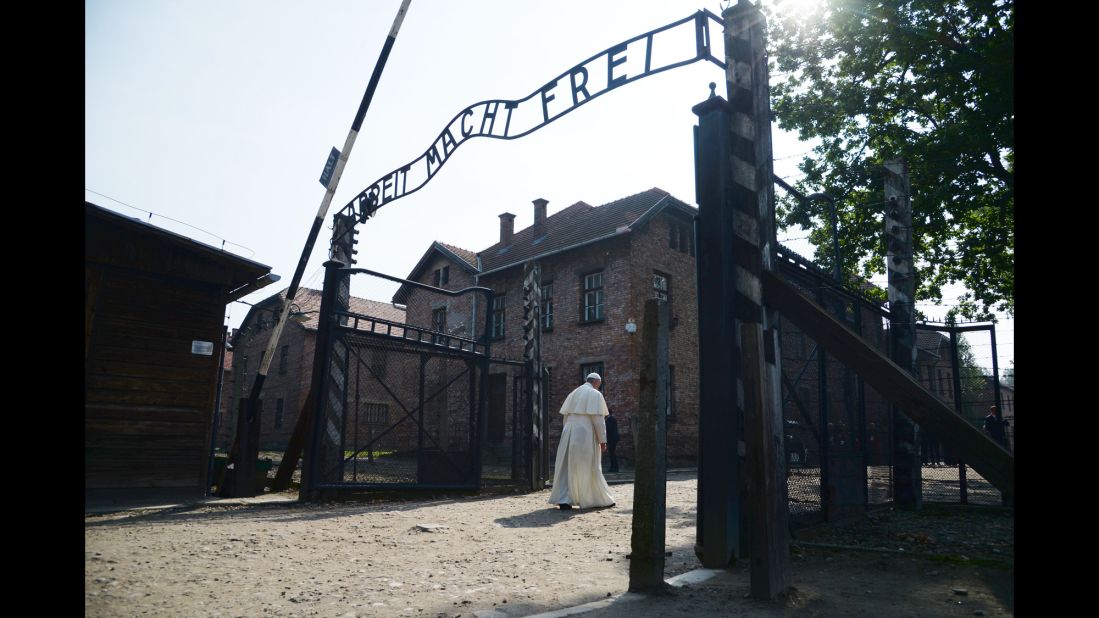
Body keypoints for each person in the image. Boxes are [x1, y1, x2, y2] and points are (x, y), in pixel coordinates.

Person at [547, 373, 616, 510]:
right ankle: (595, 499)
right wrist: (603, 440)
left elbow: (565, 417)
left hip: (568, 432)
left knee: (567, 466)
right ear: (596, 382)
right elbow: (598, 420)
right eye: (599, 384)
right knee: (588, 465)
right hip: (585, 433)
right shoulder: (595, 394)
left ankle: (564, 499)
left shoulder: (573, 393)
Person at [605, 408, 620, 473]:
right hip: (613, 439)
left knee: (612, 453)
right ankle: (613, 467)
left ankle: (614, 468)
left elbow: (608, 429)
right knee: (612, 453)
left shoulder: (610, 420)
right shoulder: (611, 419)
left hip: (612, 439)